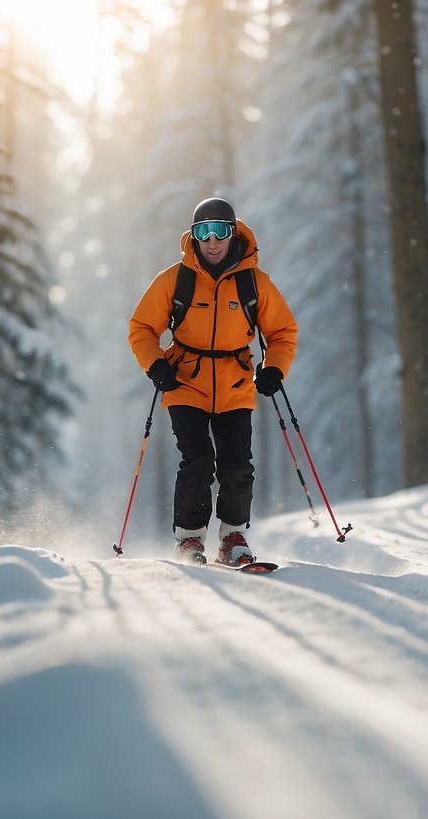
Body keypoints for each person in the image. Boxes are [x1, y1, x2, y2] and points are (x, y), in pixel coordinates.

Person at [128, 197, 298, 565]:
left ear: (232, 232)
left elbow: (283, 331)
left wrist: (274, 368)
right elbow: (141, 328)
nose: (212, 240)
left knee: (237, 463)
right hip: (184, 382)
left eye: (220, 230)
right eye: (203, 232)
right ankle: (189, 540)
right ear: (193, 236)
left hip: (236, 384)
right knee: (198, 459)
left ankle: (232, 539)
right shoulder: (175, 280)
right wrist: (155, 364)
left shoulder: (255, 283)